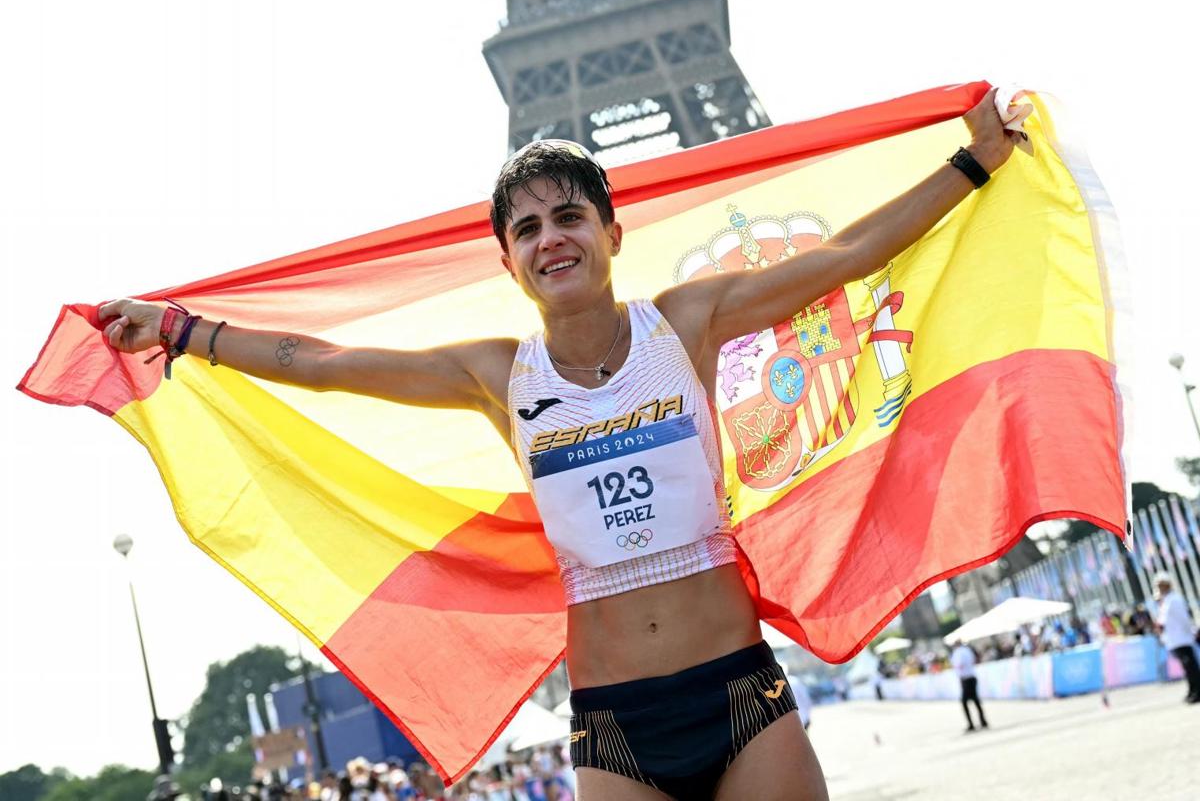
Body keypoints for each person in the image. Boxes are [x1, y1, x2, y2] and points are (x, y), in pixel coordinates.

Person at [100, 88, 1021, 800]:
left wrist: (974, 163)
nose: (552, 238)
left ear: (613, 233)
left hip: (743, 697)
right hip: (615, 729)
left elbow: (848, 254)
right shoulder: (496, 375)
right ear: (508, 261)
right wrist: (181, 331)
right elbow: (326, 361)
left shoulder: (688, 325)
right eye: (528, 227)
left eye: (570, 216)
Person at [1152, 572, 1200, 703]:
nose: (1159, 588)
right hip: (1174, 640)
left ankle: (1197, 692)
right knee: (1187, 668)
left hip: (1183, 639)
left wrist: (1191, 632)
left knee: (1191, 667)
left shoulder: (1175, 599)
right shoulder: (1165, 601)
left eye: (1161, 585)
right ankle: (1192, 690)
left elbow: (1184, 619)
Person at [949, 640, 988, 732]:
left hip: (966, 678)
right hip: (972, 676)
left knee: (964, 702)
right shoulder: (967, 650)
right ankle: (983, 721)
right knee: (976, 700)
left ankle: (971, 724)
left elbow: (959, 665)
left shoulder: (958, 652)